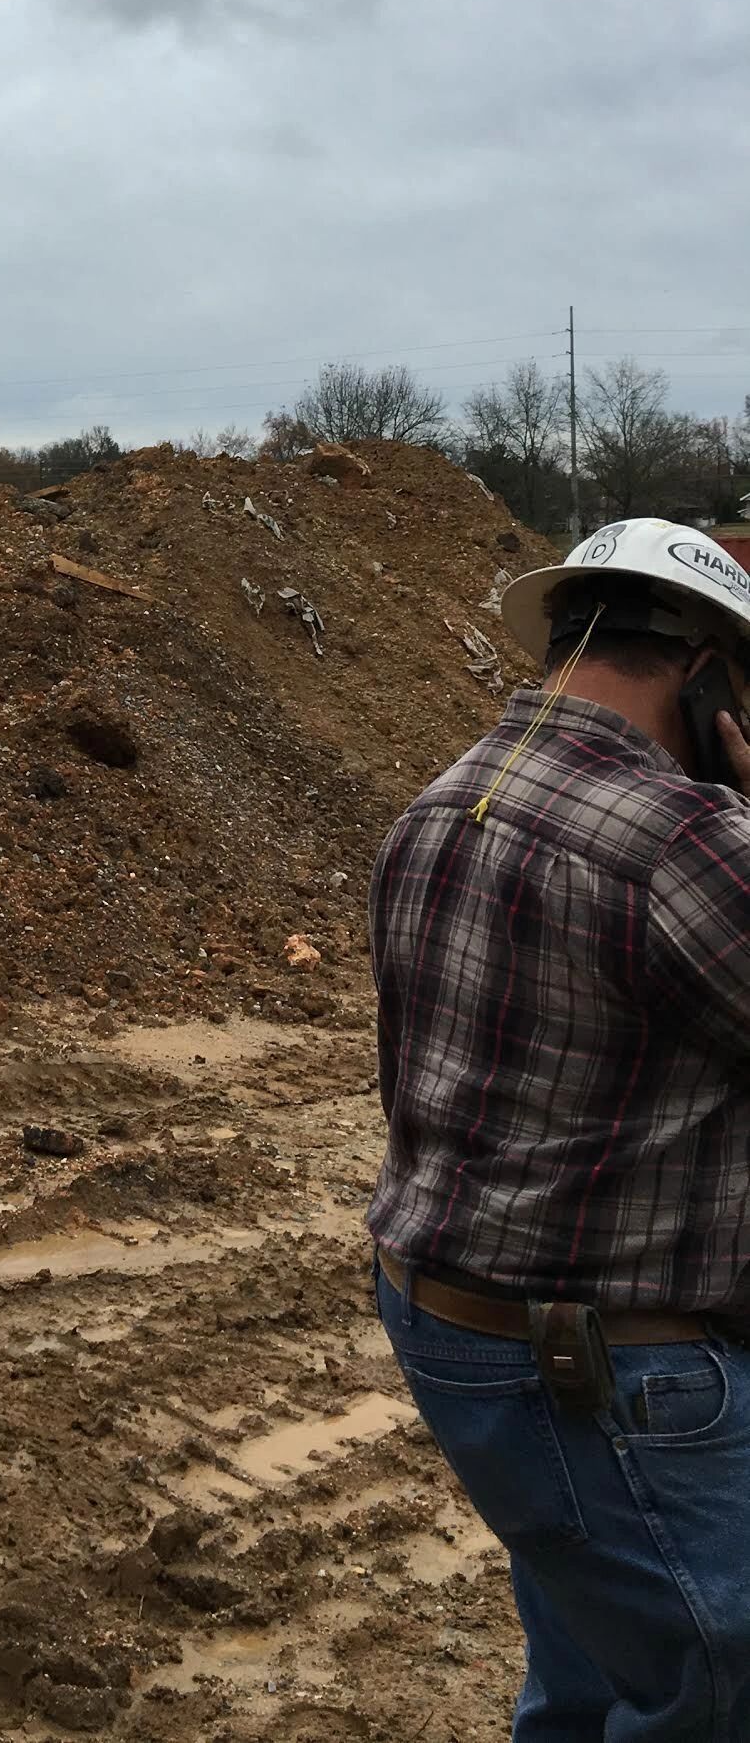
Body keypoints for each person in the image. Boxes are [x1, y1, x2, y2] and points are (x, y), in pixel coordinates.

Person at [368, 518, 750, 1742]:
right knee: (710, 1687)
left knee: (594, 1659)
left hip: (464, 1332)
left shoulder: (439, 802)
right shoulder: (683, 840)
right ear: (704, 668)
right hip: (615, 1366)